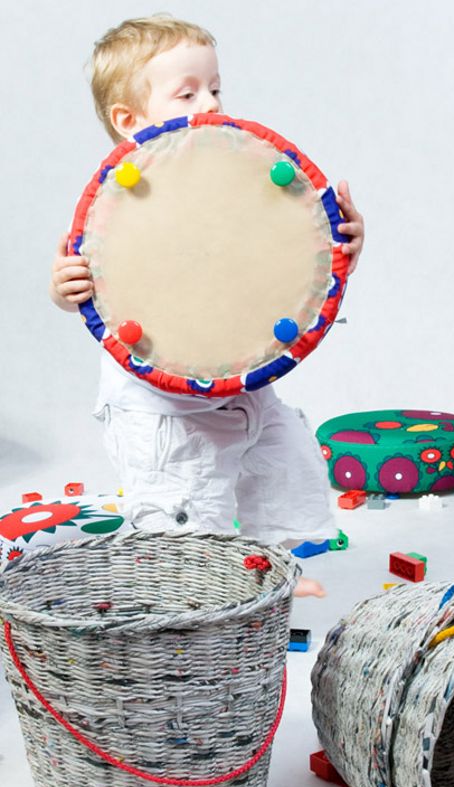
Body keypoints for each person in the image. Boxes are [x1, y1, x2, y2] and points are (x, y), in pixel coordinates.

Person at [49, 15, 365, 597]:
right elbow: (94, 274)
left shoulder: (231, 182)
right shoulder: (121, 202)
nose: (212, 102)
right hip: (158, 407)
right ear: (129, 120)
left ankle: (267, 572)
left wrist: (335, 239)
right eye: (189, 91)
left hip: (241, 380)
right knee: (186, 498)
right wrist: (64, 287)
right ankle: (193, 589)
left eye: (216, 87)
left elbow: (281, 256)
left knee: (282, 464)